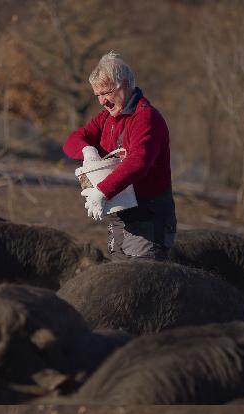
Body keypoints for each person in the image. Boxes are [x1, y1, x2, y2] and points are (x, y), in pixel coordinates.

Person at [64, 51, 175, 259]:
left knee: (141, 280)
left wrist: (103, 191)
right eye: (97, 95)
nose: (102, 101)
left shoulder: (145, 118)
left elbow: (138, 162)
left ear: (124, 84)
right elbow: (73, 140)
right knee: (119, 273)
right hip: (120, 214)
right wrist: (87, 151)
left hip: (149, 217)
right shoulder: (106, 118)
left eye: (105, 93)